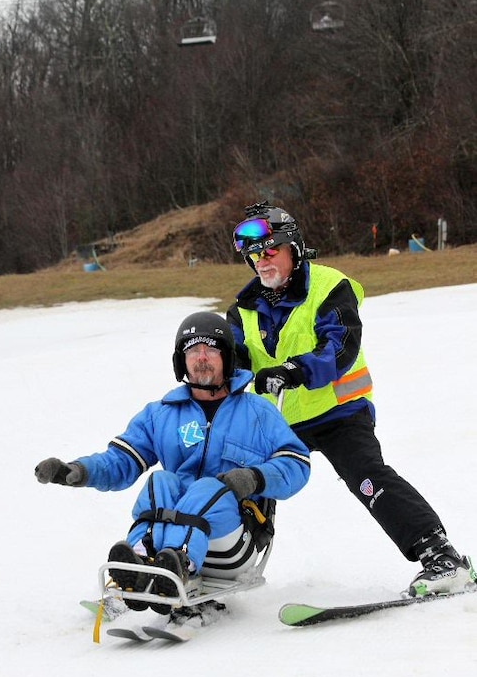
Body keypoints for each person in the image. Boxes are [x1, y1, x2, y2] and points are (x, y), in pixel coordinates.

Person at [228, 201, 476, 597]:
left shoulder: (328, 286)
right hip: (280, 421)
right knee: (236, 480)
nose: (262, 261)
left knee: (367, 477)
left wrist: (295, 370)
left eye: (270, 250)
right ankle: (219, 568)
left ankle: (441, 557)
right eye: (254, 254)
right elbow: (235, 365)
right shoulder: (243, 310)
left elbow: (339, 347)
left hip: (340, 413)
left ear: (293, 247)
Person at [35, 311, 311, 613]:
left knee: (206, 487)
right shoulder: (162, 414)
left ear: (227, 358)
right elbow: (121, 460)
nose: (201, 357)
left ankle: (180, 564)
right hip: (169, 541)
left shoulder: (257, 412)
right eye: (192, 350)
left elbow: (296, 463)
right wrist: (78, 470)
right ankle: (142, 562)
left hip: (232, 540)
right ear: (182, 361)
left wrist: (255, 477)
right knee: (162, 481)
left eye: (210, 349)